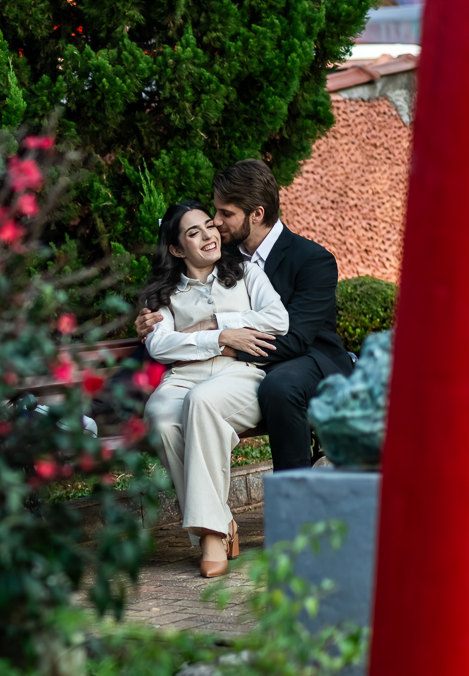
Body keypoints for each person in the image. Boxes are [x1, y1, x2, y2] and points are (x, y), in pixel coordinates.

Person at [136, 160, 354, 471]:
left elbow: (296, 338)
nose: (216, 222)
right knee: (180, 389)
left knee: (279, 387)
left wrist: (221, 337)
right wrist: (149, 320)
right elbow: (176, 294)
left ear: (257, 214)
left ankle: (293, 499)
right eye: (216, 211)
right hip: (230, 369)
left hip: (308, 357)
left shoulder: (312, 260)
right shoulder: (219, 254)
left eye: (226, 214)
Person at [142, 201, 289, 577]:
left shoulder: (245, 273)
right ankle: (221, 521)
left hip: (239, 372)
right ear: (176, 249)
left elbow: (278, 320)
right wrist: (219, 337)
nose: (209, 235)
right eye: (194, 233)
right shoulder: (164, 291)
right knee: (160, 417)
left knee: (201, 402)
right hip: (184, 376)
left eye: (209, 226)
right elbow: (159, 345)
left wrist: (214, 323)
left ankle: (210, 536)